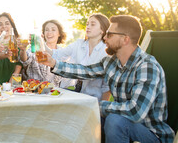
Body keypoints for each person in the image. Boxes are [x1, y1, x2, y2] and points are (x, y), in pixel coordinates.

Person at [40, 15, 175, 143]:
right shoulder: (111, 62)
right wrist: (53, 63)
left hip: (151, 133)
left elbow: (135, 111)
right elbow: (84, 71)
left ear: (125, 39)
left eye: (109, 34)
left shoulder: (147, 66)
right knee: (76, 116)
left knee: (114, 120)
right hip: (120, 123)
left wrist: (96, 105)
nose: (105, 37)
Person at [51, 14, 111, 100]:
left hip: (95, 99)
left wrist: (101, 109)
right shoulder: (79, 43)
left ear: (102, 30)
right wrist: (41, 43)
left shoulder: (106, 51)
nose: (88, 27)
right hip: (78, 93)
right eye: (87, 24)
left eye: (92, 24)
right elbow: (58, 54)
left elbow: (107, 87)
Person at [20, 19, 68, 87]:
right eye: (46, 30)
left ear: (59, 34)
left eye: (53, 30)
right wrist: (23, 49)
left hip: (54, 93)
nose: (49, 32)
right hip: (34, 91)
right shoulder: (36, 47)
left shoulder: (62, 53)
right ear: (43, 33)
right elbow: (25, 60)